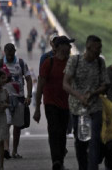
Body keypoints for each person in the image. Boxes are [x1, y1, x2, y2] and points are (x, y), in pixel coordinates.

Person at [63, 35, 109, 170]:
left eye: (100, 48)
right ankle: (83, 167)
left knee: (95, 140)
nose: (99, 51)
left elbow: (105, 85)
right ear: (88, 47)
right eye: (96, 49)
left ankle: (93, 167)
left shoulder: (100, 62)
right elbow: (65, 84)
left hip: (95, 107)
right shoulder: (74, 61)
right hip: (77, 108)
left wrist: (93, 94)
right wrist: (80, 96)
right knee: (81, 142)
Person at [34, 35, 74, 170]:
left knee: (62, 133)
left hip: (66, 104)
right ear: (59, 47)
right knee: (54, 130)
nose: (70, 47)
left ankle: (60, 161)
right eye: (67, 45)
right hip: (50, 103)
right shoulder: (48, 63)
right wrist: (37, 108)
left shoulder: (71, 63)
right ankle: (56, 161)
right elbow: (40, 85)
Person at [0, 43, 32, 159]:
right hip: (5, 99)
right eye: (8, 55)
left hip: (19, 99)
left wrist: (29, 96)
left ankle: (14, 150)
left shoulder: (21, 63)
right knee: (7, 123)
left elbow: (29, 79)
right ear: (4, 52)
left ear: (14, 52)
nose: (10, 57)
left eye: (11, 54)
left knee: (17, 127)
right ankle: (6, 149)